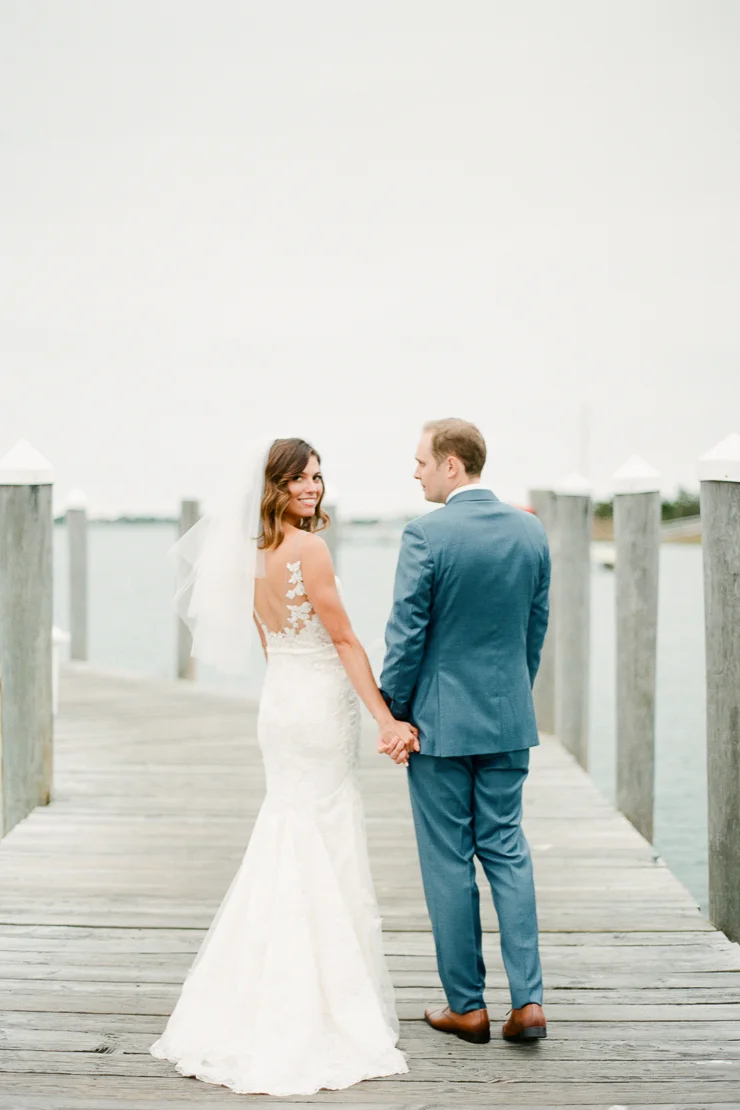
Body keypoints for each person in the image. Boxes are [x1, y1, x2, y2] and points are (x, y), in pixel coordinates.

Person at [151, 437, 411, 1096]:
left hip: (282, 705)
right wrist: (385, 719)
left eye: (319, 478)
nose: (314, 489)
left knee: (287, 834)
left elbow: (273, 642)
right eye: (301, 479)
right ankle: (317, 1008)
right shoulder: (309, 550)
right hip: (318, 709)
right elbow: (346, 638)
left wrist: (299, 693)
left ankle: (256, 996)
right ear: (275, 485)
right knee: (319, 837)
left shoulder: (251, 556)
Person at [380, 418, 550, 1046]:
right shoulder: (530, 531)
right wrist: (511, 697)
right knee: (506, 848)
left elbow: (406, 636)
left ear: (452, 465)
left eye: (422, 460)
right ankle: (529, 1001)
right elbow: (535, 627)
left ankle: (468, 1006)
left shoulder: (426, 534)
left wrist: (394, 710)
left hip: (441, 726)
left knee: (449, 860)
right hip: (508, 720)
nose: (416, 470)